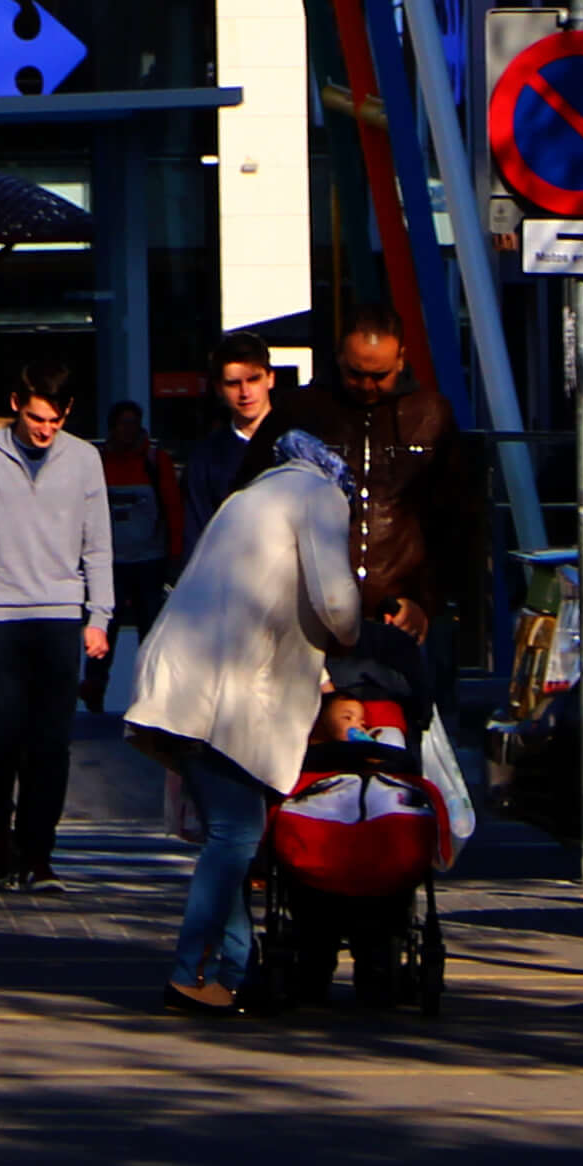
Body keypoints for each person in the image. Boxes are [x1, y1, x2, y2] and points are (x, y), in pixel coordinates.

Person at [123, 431, 363, 1016]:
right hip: (223, 695)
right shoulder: (321, 495)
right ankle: (191, 970)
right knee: (235, 836)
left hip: (176, 679)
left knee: (229, 834)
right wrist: (357, 636)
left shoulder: (248, 498)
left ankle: (234, 968)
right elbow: (336, 602)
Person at [0, 356, 112, 895]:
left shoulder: (84, 461)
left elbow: (98, 544)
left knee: (51, 744)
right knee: (1, 738)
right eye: (37, 419)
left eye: (56, 421)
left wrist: (99, 616)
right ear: (17, 404)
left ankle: (38, 854)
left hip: (59, 614)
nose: (45, 431)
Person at [296, 303, 486, 655]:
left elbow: (458, 520)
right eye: (355, 373)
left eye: (379, 375)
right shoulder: (303, 411)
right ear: (339, 357)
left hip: (404, 613)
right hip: (314, 616)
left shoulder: (431, 415)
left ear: (401, 359)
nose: (367, 386)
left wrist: (426, 603)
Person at [177, 336, 283, 553]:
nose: (245, 393)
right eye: (233, 383)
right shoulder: (205, 458)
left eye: (253, 379)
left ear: (270, 379)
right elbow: (196, 539)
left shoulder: (300, 445)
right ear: (218, 388)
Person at [99, 402, 187, 639]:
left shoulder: (156, 461)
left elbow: (173, 509)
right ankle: (95, 678)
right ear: (112, 427)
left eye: (133, 423)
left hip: (150, 561)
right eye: (123, 423)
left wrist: (175, 554)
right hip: (110, 563)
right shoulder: (98, 462)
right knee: (103, 632)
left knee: (150, 631)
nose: (129, 429)